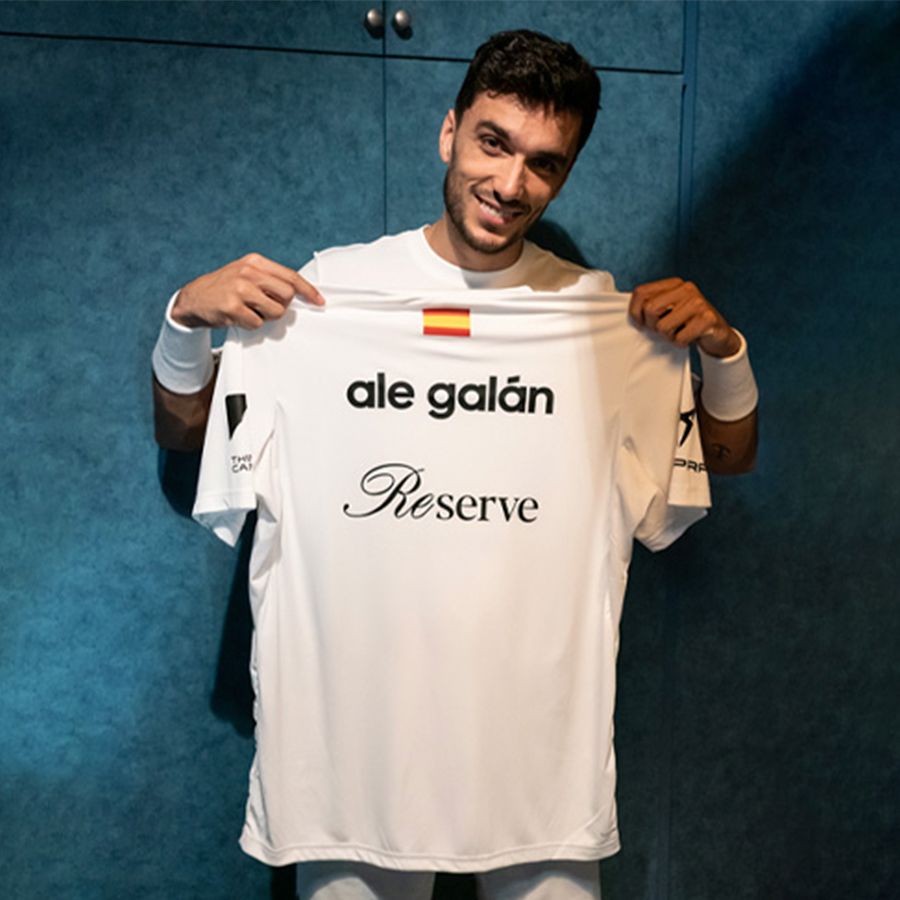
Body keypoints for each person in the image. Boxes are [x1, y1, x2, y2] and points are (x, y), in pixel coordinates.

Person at [152, 31, 757, 900]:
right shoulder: (326, 297)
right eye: (493, 143)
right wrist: (183, 322)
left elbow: (726, 456)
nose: (511, 184)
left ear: (566, 174)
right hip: (352, 767)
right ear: (449, 132)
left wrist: (726, 353)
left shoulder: (603, 325)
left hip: (537, 774)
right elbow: (189, 435)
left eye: (544, 164)